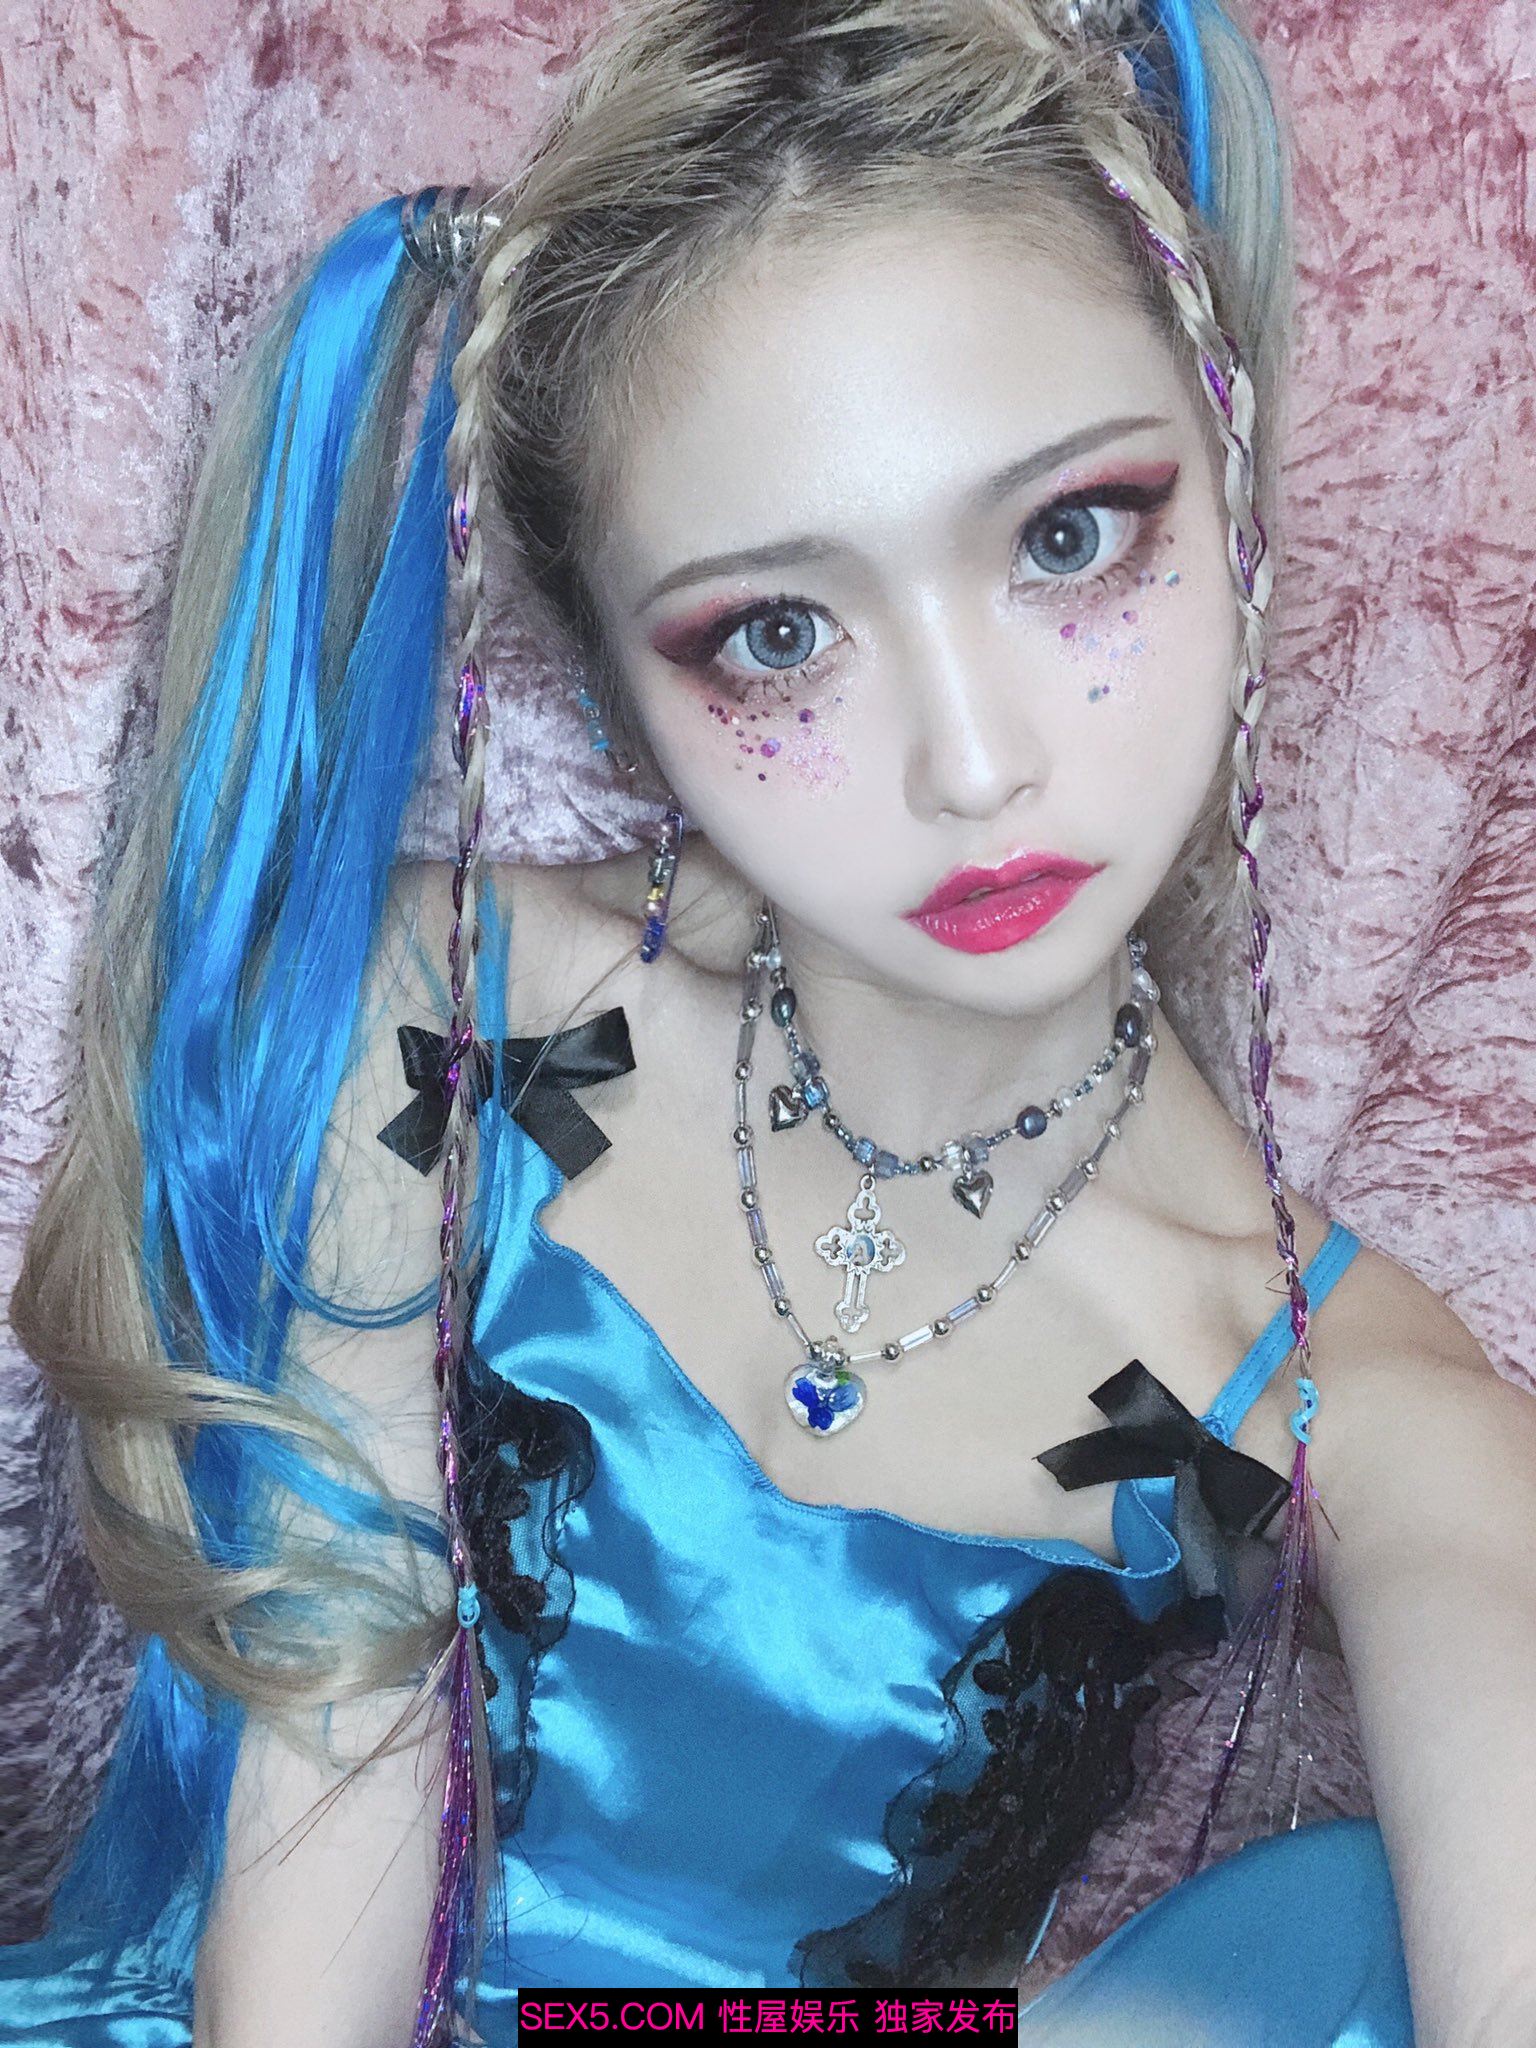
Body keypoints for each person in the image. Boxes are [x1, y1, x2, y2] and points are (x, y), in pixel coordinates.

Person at [5, 0, 1536, 2043]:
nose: (975, 764)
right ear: (618, 693)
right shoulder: (453, 1036)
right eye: (780, 634)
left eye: (1069, 534)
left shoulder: (1343, 1401)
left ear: (1236, 481)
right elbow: (323, 1856)